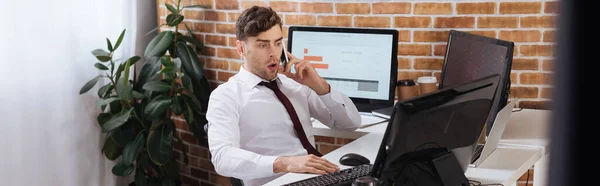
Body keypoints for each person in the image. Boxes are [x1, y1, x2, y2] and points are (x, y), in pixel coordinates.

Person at [206, 6, 362, 186]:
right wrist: (284, 163)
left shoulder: (296, 84)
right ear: (241, 48)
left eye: (278, 43)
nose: (273, 53)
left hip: (318, 179)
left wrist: (319, 85)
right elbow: (222, 158)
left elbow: (351, 124)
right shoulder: (226, 96)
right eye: (262, 45)